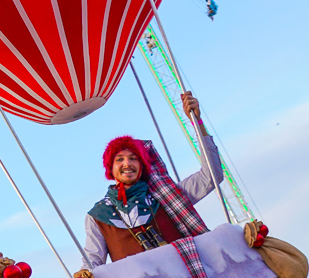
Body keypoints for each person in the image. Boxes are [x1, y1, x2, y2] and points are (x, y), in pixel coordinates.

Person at [81, 92, 222, 268]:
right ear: (110, 168)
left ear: (142, 166)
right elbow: (92, 262)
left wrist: (198, 124)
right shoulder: (97, 217)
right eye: (119, 159)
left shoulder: (168, 196)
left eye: (134, 158)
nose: (127, 164)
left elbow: (212, 176)